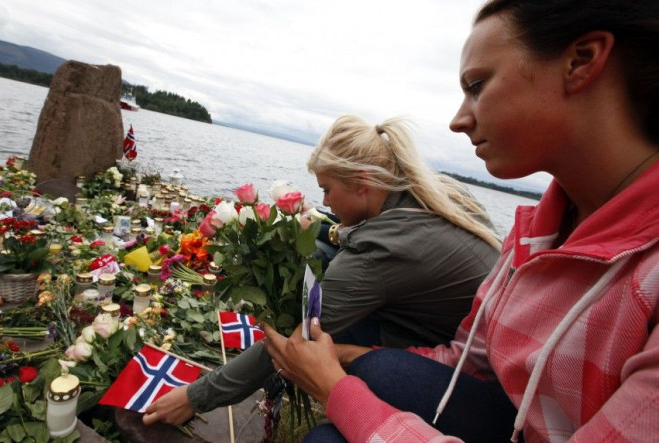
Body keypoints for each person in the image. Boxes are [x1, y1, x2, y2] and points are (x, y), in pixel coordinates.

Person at [262, 0, 659, 441]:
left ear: (581, 62)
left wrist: (334, 389)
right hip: (510, 421)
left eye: (477, 85)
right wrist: (349, 356)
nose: (458, 120)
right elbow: (472, 362)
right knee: (374, 370)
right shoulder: (532, 236)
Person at [143, 115, 502, 426]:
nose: (325, 202)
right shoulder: (435, 193)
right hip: (478, 346)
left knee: (314, 334)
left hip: (473, 382)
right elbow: (345, 235)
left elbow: (297, 340)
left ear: (362, 181)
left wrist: (194, 397)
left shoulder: (381, 251)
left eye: (328, 189)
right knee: (320, 252)